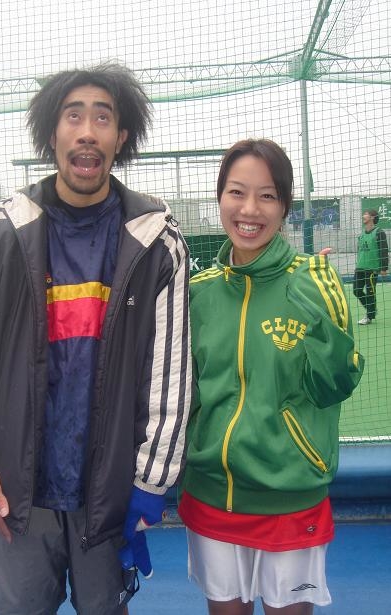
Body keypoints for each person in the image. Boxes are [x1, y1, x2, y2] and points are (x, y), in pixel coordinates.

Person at [0, 63, 191, 615]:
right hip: (18, 491)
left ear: (121, 137)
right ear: (51, 133)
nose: (87, 132)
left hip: (108, 492)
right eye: (73, 116)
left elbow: (169, 374)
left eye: (102, 118)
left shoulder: (157, 242)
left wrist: (151, 482)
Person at [178, 139, 364, 615]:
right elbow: (183, 393)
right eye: (237, 192)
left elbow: (336, 385)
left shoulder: (313, 281)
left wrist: (319, 316)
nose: (249, 209)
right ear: (220, 198)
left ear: (285, 207)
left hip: (289, 498)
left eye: (267, 195)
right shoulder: (197, 293)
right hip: (211, 494)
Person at [353, 208, 388, 325]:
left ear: (372, 217)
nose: (363, 216)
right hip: (360, 268)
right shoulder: (362, 234)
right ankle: (372, 309)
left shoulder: (379, 232)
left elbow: (384, 250)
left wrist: (384, 268)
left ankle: (369, 316)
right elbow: (360, 251)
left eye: (366, 214)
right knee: (356, 290)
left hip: (372, 269)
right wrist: (357, 264)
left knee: (370, 292)